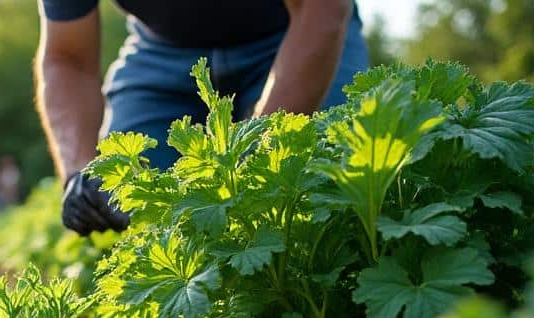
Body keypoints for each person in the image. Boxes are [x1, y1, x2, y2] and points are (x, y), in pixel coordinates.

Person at [36, 0, 370, 235]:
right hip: (162, 48)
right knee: (134, 198)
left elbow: (321, 9)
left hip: (296, 29)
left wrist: (259, 154)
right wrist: (78, 170)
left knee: (318, 191)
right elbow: (67, 57)